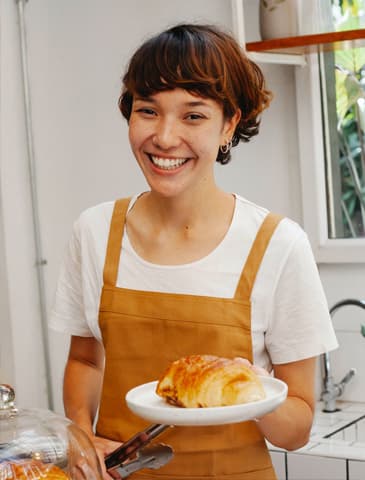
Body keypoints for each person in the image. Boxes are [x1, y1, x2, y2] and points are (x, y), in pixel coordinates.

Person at [50, 23, 338, 480]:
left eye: (193, 115)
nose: (164, 137)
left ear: (229, 124)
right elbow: (85, 359)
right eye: (148, 110)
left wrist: (254, 392)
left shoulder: (278, 245)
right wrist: (81, 434)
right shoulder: (94, 231)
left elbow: (297, 429)